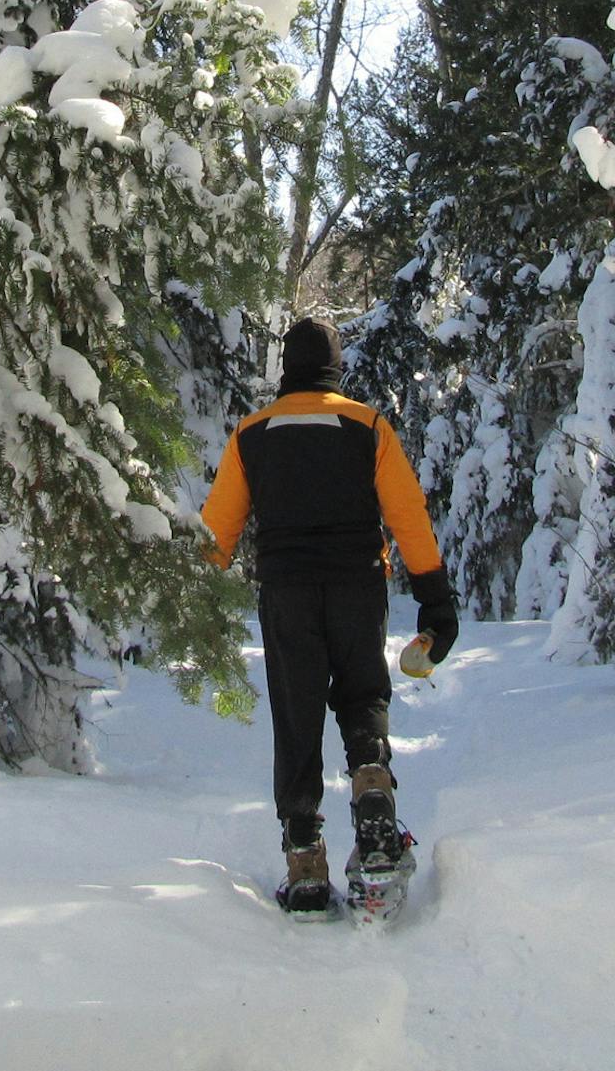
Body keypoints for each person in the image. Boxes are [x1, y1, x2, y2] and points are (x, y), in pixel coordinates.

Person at [199, 316, 461, 914]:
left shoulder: (251, 434)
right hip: (357, 585)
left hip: (286, 591)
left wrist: (191, 605)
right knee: (363, 695)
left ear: (286, 370)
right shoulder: (367, 426)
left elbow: (216, 536)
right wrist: (435, 599)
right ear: (336, 369)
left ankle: (306, 863)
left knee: (298, 717)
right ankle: (372, 792)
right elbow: (409, 516)